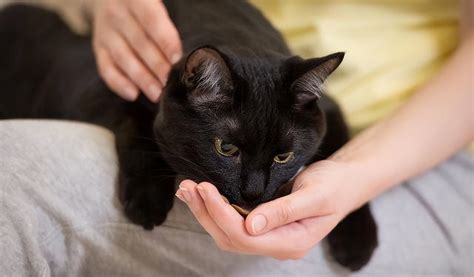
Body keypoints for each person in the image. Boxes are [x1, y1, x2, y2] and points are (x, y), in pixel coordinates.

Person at [87, 0, 473, 260]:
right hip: (237, 54)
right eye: (229, 151)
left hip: (425, 145)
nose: (255, 190)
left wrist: (356, 181)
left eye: (281, 159)